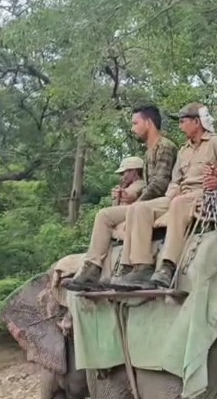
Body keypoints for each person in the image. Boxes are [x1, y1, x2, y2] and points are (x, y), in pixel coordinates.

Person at [109, 102, 217, 290]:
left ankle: (168, 265)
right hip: (182, 195)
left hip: (206, 194)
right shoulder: (184, 150)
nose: (180, 126)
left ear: (197, 122)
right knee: (138, 207)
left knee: (179, 203)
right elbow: (175, 181)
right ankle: (141, 266)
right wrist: (171, 194)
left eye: (183, 121)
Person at [63, 105, 178, 292]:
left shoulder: (165, 146)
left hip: (159, 202)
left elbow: (160, 183)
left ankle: (140, 267)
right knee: (104, 215)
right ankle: (92, 268)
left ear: (148, 123)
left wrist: (138, 201)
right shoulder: (149, 151)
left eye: (135, 123)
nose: (133, 128)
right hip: (146, 203)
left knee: (134, 210)